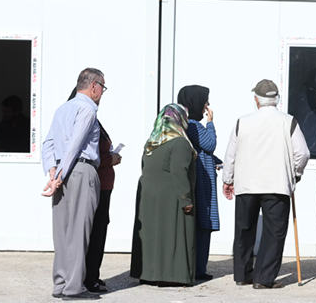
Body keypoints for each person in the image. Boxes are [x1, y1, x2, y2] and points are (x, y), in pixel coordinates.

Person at [222, 79, 310, 289]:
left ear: (256, 100)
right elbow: (303, 153)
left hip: (246, 185)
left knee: (244, 229)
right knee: (274, 233)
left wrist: (228, 179)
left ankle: (242, 275)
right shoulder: (288, 121)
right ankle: (263, 278)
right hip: (277, 184)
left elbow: (230, 155)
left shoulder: (242, 121)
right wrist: (295, 174)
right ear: (276, 99)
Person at [41, 68, 107, 300]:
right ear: (94, 86)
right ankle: (73, 287)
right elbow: (75, 145)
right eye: (103, 88)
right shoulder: (87, 110)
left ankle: (60, 283)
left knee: (62, 231)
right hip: (79, 170)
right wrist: (59, 175)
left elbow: (47, 144)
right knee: (79, 230)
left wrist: (52, 171)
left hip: (62, 169)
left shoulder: (63, 108)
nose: (102, 93)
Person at [62, 89, 123, 293]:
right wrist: (110, 159)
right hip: (95, 181)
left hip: (104, 183)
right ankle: (88, 279)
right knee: (93, 230)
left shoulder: (93, 119)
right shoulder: (82, 117)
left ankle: (92, 275)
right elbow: (86, 153)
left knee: (99, 227)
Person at [130, 104, 198, 286]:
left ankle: (149, 273)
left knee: (153, 234)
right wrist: (186, 198)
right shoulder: (180, 143)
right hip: (171, 195)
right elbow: (179, 172)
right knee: (172, 234)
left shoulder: (152, 142)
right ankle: (173, 276)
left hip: (148, 196)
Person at [177, 85, 223, 281]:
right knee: (203, 223)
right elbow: (210, 144)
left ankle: (198, 267)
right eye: (205, 100)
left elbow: (202, 150)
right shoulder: (194, 124)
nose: (207, 105)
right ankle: (198, 269)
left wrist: (215, 160)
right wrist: (211, 123)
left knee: (201, 223)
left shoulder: (187, 123)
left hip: (201, 177)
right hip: (201, 182)